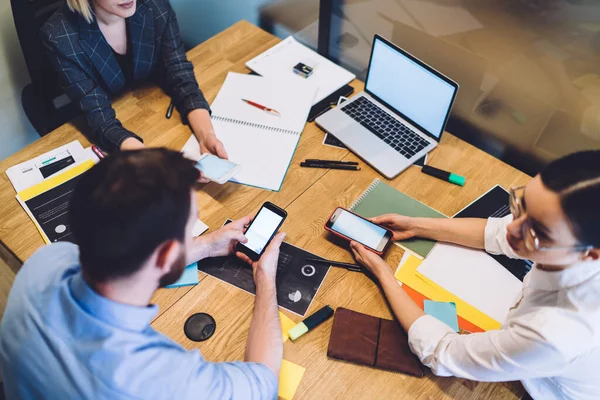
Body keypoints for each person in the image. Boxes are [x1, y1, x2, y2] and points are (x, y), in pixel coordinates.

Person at [0, 149, 282, 399]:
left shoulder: (45, 261)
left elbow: (121, 261)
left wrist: (206, 245)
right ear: (166, 255)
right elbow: (265, 380)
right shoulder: (167, 382)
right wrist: (266, 276)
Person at [350, 150, 600, 400]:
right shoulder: (567, 237)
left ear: (591, 255)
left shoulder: (554, 333)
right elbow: (498, 234)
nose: (513, 227)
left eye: (536, 232)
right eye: (521, 206)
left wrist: (384, 275)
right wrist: (416, 225)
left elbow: (441, 353)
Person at [40, 0, 226, 158]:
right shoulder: (59, 36)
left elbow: (179, 73)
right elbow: (99, 118)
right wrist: (152, 160)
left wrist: (206, 135)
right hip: (100, 120)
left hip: (146, 105)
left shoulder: (154, 5)